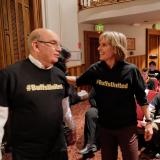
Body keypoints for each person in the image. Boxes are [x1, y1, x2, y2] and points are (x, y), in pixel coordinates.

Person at [67, 31, 153, 160]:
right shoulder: (96, 69)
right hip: (105, 127)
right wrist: (57, 75)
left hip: (127, 127)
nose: (98, 48)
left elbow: (142, 99)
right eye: (99, 44)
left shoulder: (131, 70)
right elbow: (78, 80)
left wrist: (149, 122)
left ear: (115, 47)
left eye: (103, 45)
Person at [0, 28, 76, 160]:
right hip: (27, 151)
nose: (59, 49)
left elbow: (65, 108)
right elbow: (0, 117)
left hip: (58, 147)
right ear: (36, 45)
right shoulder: (10, 75)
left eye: (59, 44)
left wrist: (72, 127)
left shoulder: (59, 75)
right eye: (53, 43)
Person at [79, 88, 99, 155]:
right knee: (90, 113)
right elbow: (91, 97)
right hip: (98, 108)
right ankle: (90, 144)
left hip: (113, 111)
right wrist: (97, 107)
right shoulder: (99, 82)